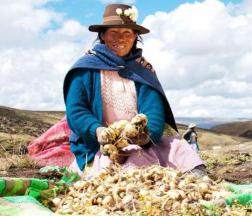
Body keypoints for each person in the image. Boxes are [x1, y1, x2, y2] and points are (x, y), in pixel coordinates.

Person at [63, 3, 207, 178]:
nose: (121, 39)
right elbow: (76, 111)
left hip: (141, 139)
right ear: (102, 35)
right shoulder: (85, 69)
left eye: (127, 33)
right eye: (113, 33)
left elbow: (154, 111)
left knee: (178, 150)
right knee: (114, 171)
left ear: (135, 37)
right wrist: (98, 131)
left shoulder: (142, 70)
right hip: (101, 142)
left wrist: (146, 136)